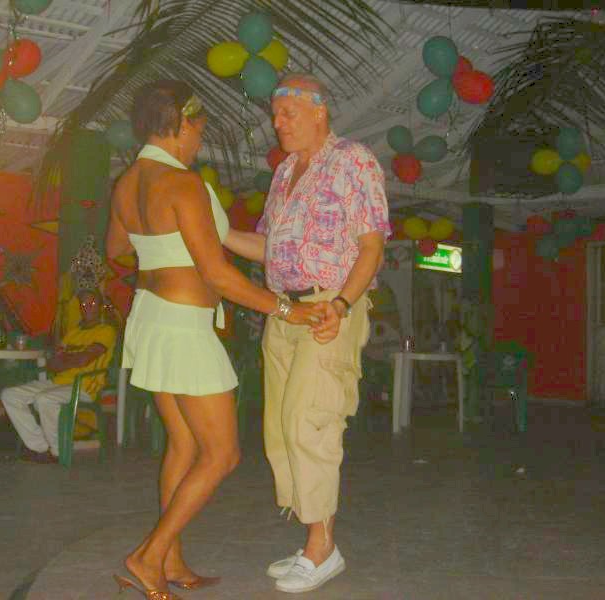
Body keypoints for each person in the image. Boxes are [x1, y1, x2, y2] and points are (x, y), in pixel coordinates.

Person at [105, 80, 338, 599]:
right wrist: (289, 309)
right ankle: (147, 557)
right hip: (184, 327)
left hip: (150, 318)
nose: (199, 141)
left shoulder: (127, 182)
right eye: (199, 130)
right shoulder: (182, 183)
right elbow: (217, 275)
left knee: (184, 444)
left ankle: (171, 561)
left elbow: (117, 248)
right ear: (181, 125)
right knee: (222, 454)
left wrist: (162, 250)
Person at [223, 72, 390, 594]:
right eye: (274, 114)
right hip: (283, 312)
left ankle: (323, 548)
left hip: (328, 306)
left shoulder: (353, 160)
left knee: (309, 421)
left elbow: (372, 246)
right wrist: (216, 232)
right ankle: (313, 538)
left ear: (320, 111)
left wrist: (341, 304)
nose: (277, 123)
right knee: (278, 428)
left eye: (287, 112)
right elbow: (267, 247)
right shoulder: (284, 172)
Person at [1, 287, 117, 463]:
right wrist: (70, 360)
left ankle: (57, 451)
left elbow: (84, 359)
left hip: (83, 386)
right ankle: (40, 447)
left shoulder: (106, 331)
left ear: (100, 306)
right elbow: (53, 364)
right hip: (58, 382)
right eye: (83, 304)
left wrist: (66, 360)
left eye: (92, 303)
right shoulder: (73, 333)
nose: (87, 307)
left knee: (44, 399)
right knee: (10, 395)